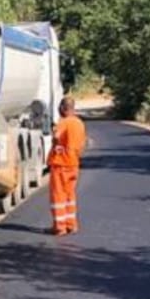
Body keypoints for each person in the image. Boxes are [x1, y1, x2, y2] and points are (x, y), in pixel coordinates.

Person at [48, 96, 87, 235]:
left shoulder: (64, 122)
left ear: (63, 108)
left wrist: (55, 142)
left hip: (61, 164)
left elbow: (56, 137)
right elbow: (82, 144)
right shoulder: (79, 123)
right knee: (70, 195)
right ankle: (71, 224)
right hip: (74, 164)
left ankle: (60, 227)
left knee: (58, 196)